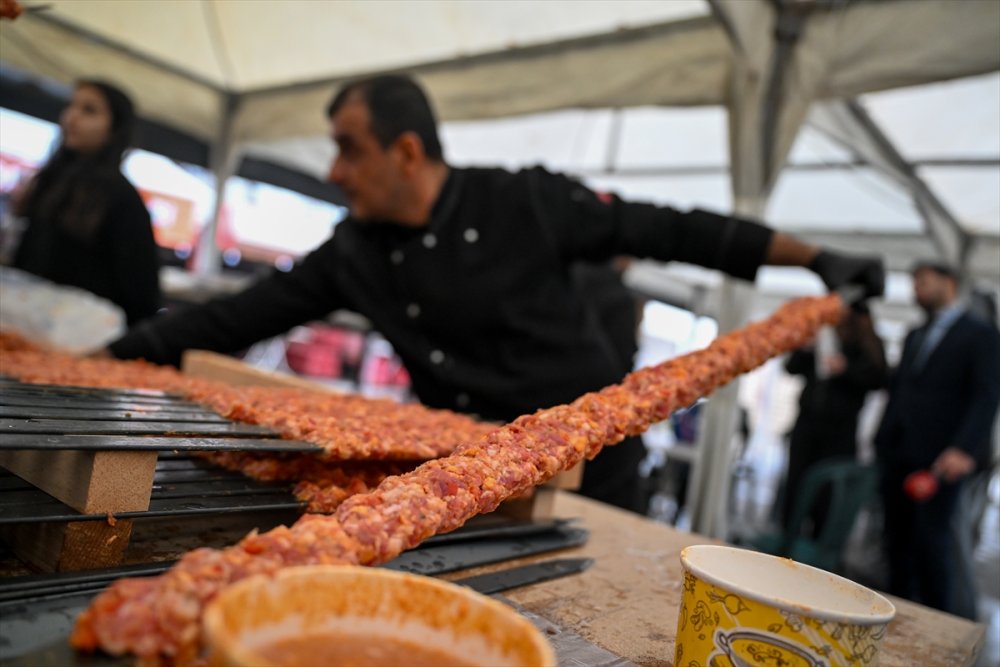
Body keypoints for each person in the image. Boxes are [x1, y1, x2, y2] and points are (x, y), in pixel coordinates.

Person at [105, 74, 884, 512]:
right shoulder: (354, 253)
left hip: (592, 481)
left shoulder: (522, 202)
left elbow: (674, 229)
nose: (335, 172)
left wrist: (815, 255)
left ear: (407, 151)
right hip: (465, 483)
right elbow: (236, 315)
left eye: (349, 149)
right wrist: (109, 357)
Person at [874, 260, 1000, 618]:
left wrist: (963, 448)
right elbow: (901, 390)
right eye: (914, 283)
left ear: (949, 282)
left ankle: (936, 625)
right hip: (898, 453)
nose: (917, 290)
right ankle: (894, 619)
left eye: (924, 282)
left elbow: (986, 395)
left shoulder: (980, 334)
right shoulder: (915, 334)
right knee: (895, 542)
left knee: (931, 545)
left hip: (939, 459)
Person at [6, 80, 161, 326]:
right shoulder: (50, 182)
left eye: (89, 110)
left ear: (114, 128)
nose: (72, 117)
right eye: (71, 106)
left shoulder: (122, 199)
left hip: (83, 338)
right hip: (29, 326)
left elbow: (142, 295)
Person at [781, 303, 888, 532]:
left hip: (840, 430)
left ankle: (816, 548)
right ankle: (787, 539)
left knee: (827, 493)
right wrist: (804, 348)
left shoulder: (865, 343)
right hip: (807, 424)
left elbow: (879, 378)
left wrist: (846, 370)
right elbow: (791, 368)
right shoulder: (822, 335)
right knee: (795, 487)